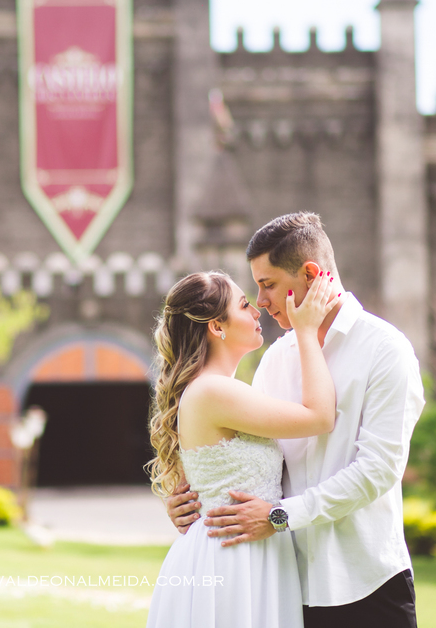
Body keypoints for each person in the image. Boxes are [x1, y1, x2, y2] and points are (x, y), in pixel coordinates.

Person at [166, 212, 426, 628]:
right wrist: (193, 497)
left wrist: (279, 516)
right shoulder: (276, 359)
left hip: (364, 583)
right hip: (281, 586)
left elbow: (377, 471)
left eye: (267, 285)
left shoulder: (385, 350)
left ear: (310, 273)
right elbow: (252, 453)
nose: (262, 301)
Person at [145, 269, 339, 628]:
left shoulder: (221, 390)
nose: (257, 311)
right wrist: (307, 332)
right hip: (231, 561)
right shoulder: (212, 391)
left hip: (250, 552)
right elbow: (320, 417)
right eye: (245, 304)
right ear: (217, 326)